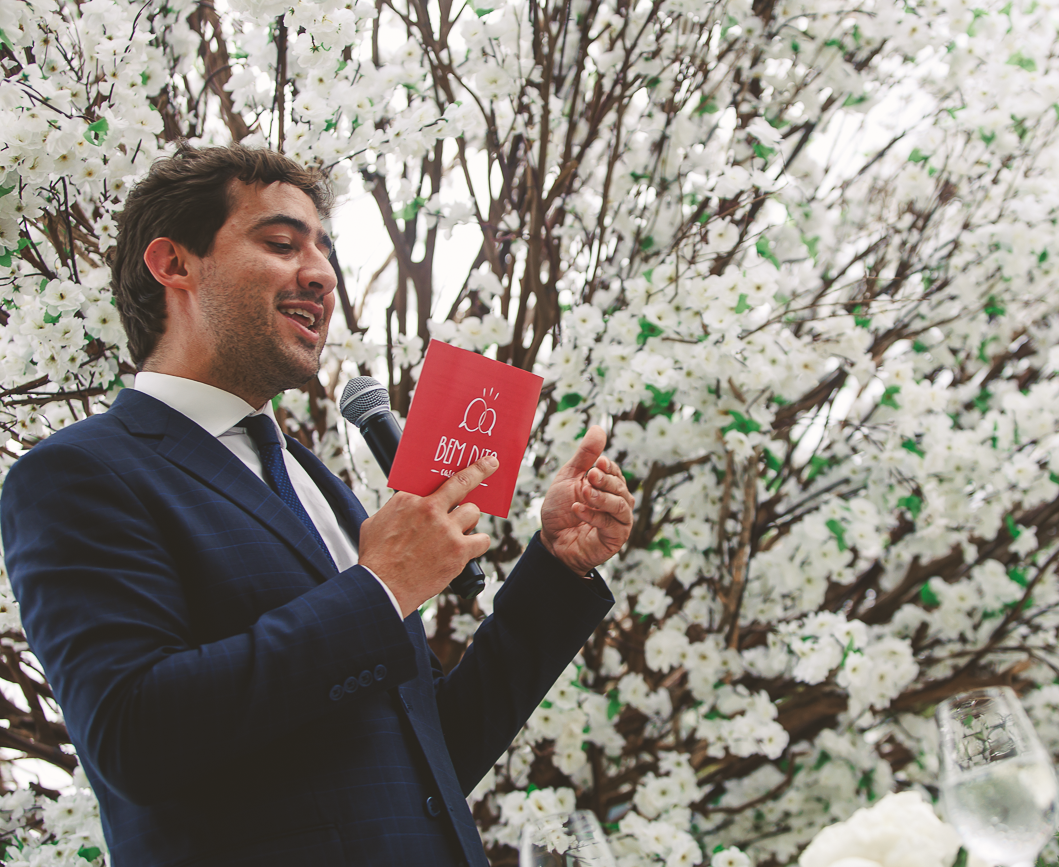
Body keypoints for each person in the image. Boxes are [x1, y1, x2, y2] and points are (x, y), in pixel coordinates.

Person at [0, 145, 634, 867]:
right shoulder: (80, 473)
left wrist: (557, 568)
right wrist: (380, 587)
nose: (323, 274)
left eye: (325, 251)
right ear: (174, 264)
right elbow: (134, 736)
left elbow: (428, 757)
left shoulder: (313, 482)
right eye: (281, 243)